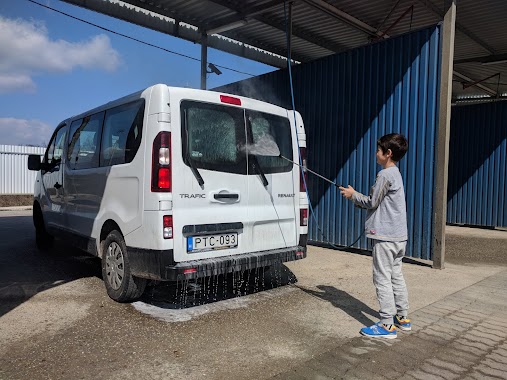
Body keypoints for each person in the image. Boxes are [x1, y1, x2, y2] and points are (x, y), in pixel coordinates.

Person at [339, 133, 410, 339]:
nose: (375, 153)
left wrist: (353, 195)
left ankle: (387, 325)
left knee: (382, 279)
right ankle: (402, 318)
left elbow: (372, 202)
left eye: (378, 150)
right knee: (396, 276)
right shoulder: (396, 173)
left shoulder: (385, 175)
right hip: (399, 238)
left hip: (386, 238)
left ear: (388, 154)